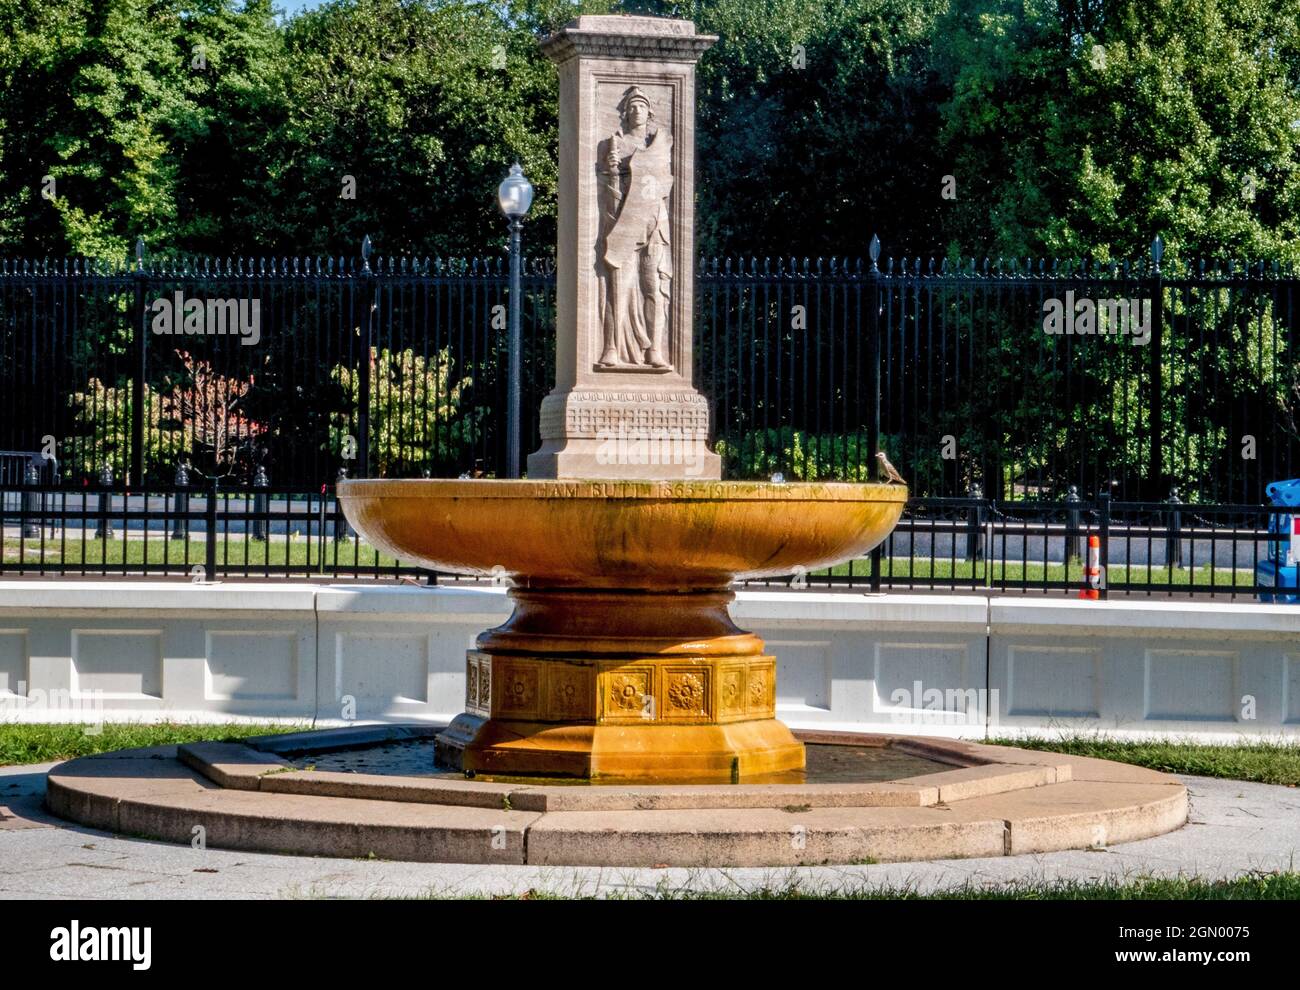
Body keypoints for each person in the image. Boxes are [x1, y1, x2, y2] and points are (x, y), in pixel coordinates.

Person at [595, 85, 673, 369]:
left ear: (649, 112)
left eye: (641, 105)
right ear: (625, 114)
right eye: (631, 106)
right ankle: (611, 347)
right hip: (624, 222)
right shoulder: (616, 144)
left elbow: (665, 183)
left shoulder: (661, 144)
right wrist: (611, 168)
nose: (636, 110)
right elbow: (606, 186)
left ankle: (655, 350)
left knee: (653, 287)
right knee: (619, 288)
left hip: (655, 224)